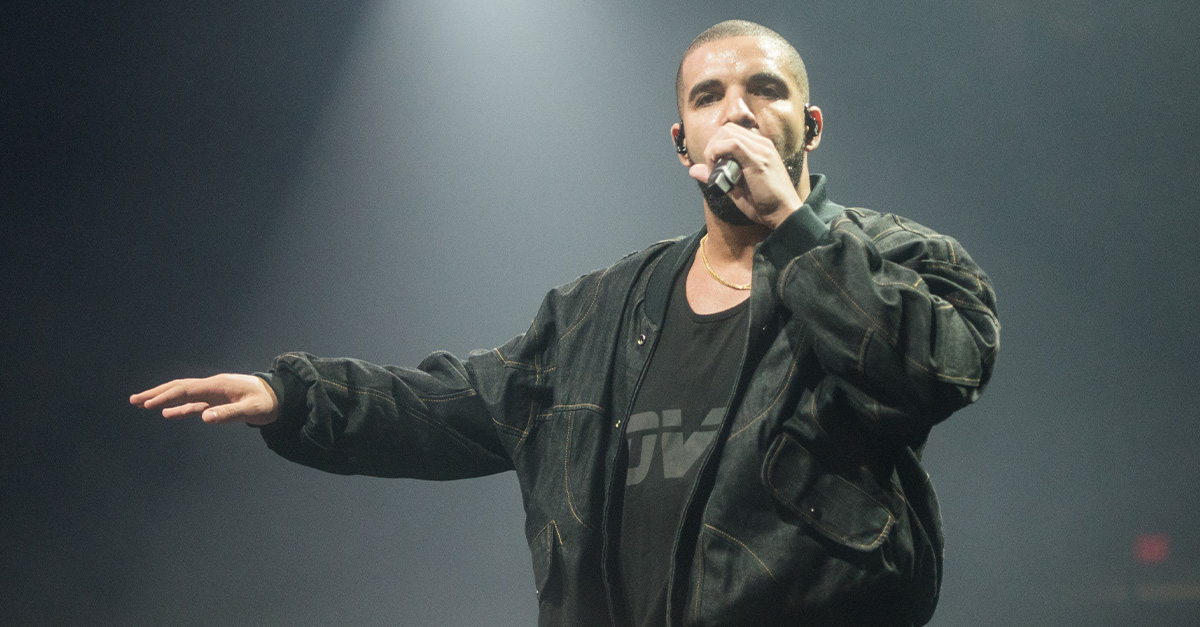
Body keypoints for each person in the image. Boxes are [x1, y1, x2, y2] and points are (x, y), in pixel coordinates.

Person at [131, 20, 998, 627]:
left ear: (809, 126)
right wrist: (292, 396)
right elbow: (454, 404)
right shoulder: (601, 311)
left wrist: (792, 228)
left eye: (764, 91)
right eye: (710, 96)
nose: (737, 111)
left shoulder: (897, 258)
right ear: (682, 142)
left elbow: (938, 370)